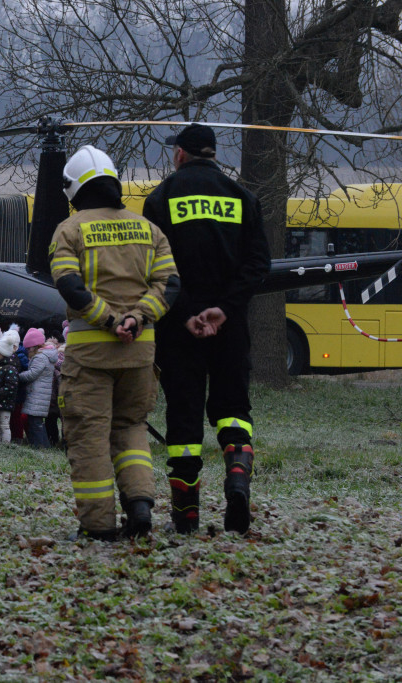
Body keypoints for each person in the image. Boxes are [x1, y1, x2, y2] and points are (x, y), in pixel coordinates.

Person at [143, 124, 271, 535]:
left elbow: (156, 270)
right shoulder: (243, 198)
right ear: (213, 154)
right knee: (234, 408)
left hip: (180, 330)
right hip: (229, 326)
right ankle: (237, 481)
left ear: (180, 154)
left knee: (184, 418)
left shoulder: (161, 198)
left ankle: (187, 515)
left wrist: (186, 314)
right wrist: (224, 309)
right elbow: (258, 266)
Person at [50, 144, 180, 539]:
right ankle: (140, 507)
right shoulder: (148, 229)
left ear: (74, 189)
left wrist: (109, 320)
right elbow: (170, 284)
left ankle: (98, 526)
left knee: (88, 438)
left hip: (91, 358)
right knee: (131, 429)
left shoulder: (69, 230)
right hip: (139, 356)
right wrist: (138, 318)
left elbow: (69, 286)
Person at [19, 327, 57, 449]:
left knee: (36, 423)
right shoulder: (46, 356)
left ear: (35, 346)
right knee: (36, 422)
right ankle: (38, 445)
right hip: (41, 394)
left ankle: (41, 446)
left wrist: (16, 376)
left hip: (37, 394)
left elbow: (32, 374)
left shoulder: (40, 357)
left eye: (29, 348)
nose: (28, 350)